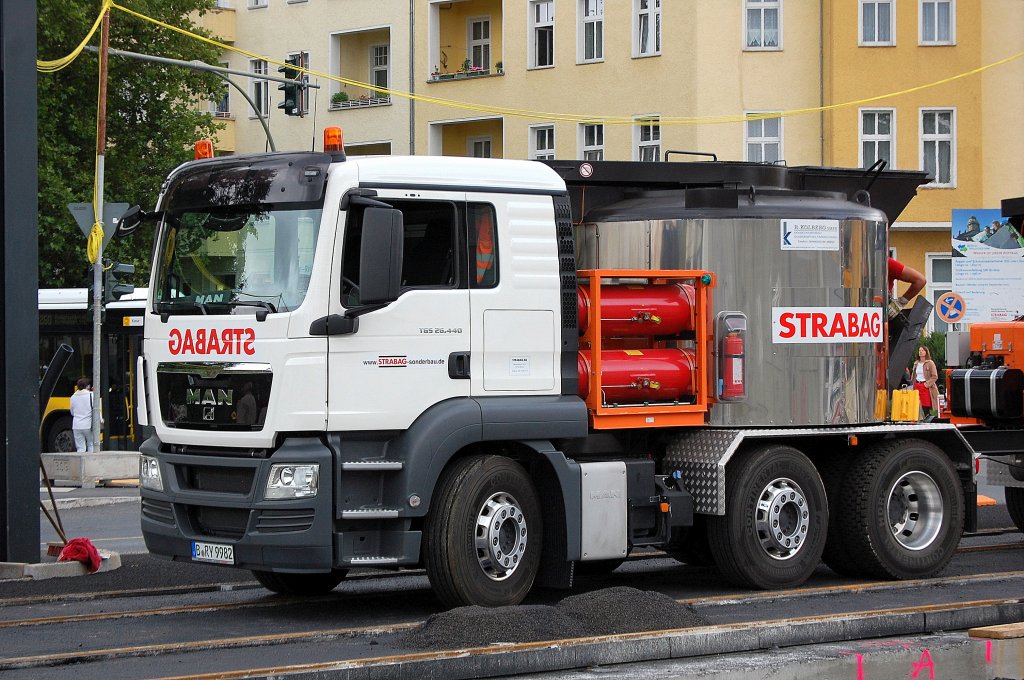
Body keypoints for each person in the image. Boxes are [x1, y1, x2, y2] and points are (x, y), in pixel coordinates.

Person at [912, 346, 940, 419]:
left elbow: (935, 376)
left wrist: (926, 384)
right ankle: (920, 418)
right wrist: (913, 384)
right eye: (919, 350)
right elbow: (914, 375)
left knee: (926, 403)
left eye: (922, 350)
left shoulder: (930, 363)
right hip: (917, 385)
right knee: (917, 403)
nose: (920, 352)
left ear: (926, 352)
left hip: (925, 386)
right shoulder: (916, 363)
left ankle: (928, 417)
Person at [69, 377, 95, 452]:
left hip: (76, 426)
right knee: (91, 444)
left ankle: (81, 463)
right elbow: (95, 410)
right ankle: (90, 462)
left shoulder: (73, 397)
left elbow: (72, 412)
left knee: (80, 448)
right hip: (88, 425)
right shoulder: (91, 395)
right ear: (87, 386)